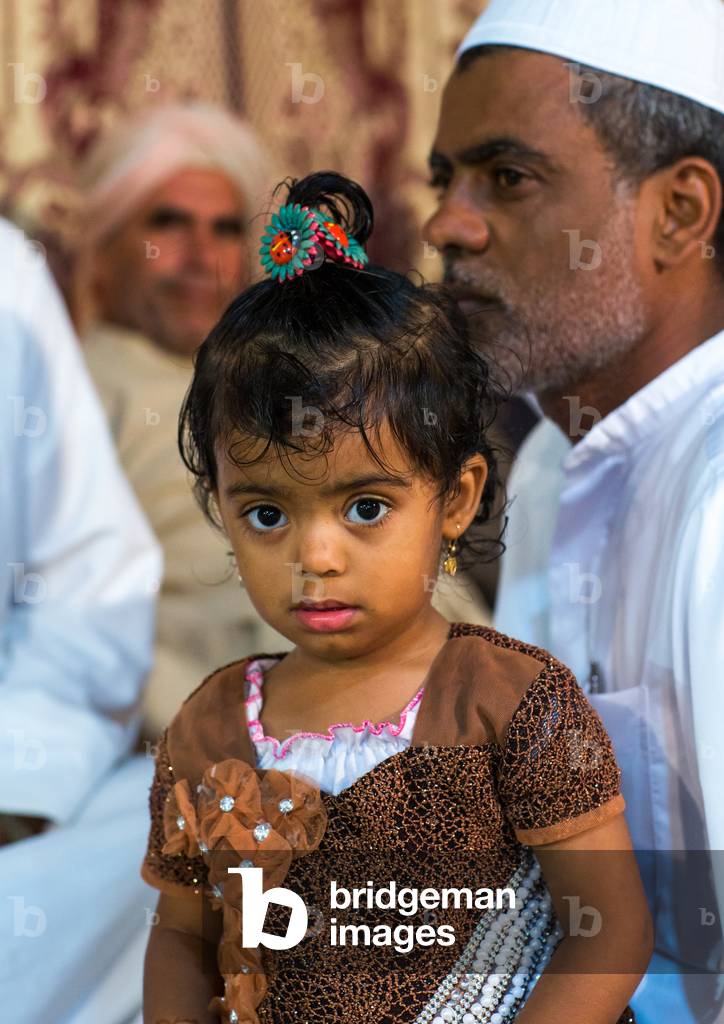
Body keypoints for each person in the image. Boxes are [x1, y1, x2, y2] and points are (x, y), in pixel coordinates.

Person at [139, 172, 651, 1024]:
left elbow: (609, 932)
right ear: (220, 513)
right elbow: (182, 942)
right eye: (265, 512)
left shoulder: (513, 703)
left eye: (366, 507)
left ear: (453, 499)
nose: (316, 556)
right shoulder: (211, 727)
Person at [423, 1, 724, 1021]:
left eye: (507, 177)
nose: (445, 225)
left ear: (678, 213)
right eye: (444, 180)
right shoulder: (560, 452)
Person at [74, 103, 294, 739]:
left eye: (225, 229)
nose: (201, 256)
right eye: (168, 223)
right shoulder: (64, 393)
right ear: (105, 247)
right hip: (203, 719)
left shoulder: (301, 379)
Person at [0, 218, 162, 1021]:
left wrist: (19, 783)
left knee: (198, 828)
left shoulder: (6, 276)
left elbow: (90, 576)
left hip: (13, 797)